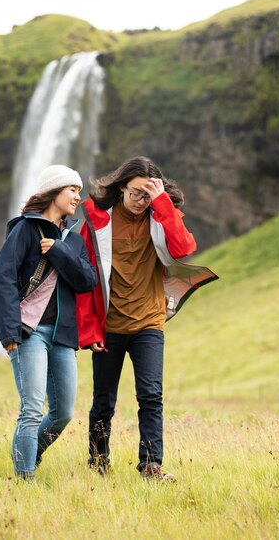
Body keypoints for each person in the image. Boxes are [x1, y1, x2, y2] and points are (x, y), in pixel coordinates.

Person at [76, 156, 218, 481]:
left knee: (151, 395)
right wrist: (89, 330)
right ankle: (98, 461)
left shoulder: (161, 215)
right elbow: (85, 279)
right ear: (122, 186)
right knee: (103, 399)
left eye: (147, 195)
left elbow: (183, 249)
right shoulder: (98, 220)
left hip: (149, 322)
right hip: (109, 325)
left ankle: (151, 466)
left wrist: (161, 202)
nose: (141, 201)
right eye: (137, 193)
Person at [0, 164, 97, 481]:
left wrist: (61, 252)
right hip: (28, 332)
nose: (78, 196)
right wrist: (9, 332)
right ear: (54, 191)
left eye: (79, 190)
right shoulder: (25, 229)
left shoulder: (72, 240)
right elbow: (2, 279)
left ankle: (29, 457)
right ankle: (25, 479)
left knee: (62, 413)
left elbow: (87, 281)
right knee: (32, 409)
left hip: (63, 337)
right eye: (72, 190)